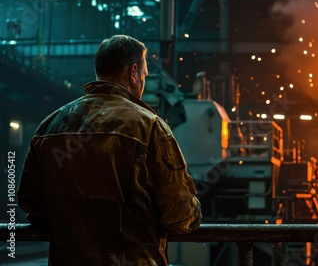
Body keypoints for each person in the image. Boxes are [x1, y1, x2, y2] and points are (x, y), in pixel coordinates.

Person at [17, 35, 202, 266]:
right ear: (133, 72)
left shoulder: (50, 126)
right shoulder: (149, 126)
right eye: (144, 74)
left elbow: (31, 204)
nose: (143, 81)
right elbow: (180, 215)